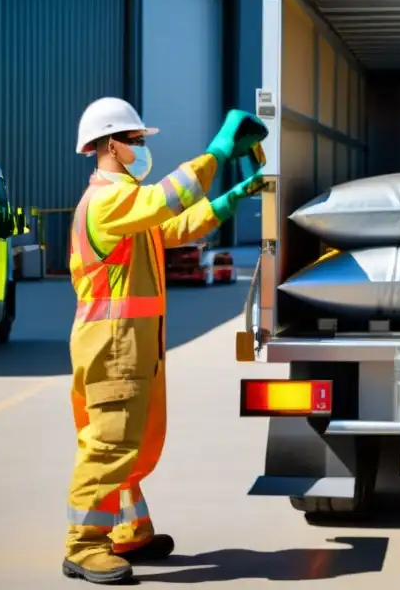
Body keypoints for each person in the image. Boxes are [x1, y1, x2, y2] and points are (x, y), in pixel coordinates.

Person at [63, 98, 267, 584]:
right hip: (114, 346)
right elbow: (169, 199)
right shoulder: (107, 200)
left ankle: (130, 533)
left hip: (134, 344)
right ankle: (85, 546)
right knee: (110, 444)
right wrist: (216, 152)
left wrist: (229, 200)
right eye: (135, 141)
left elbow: (170, 228)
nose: (141, 148)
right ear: (110, 145)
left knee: (136, 444)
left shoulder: (126, 202)